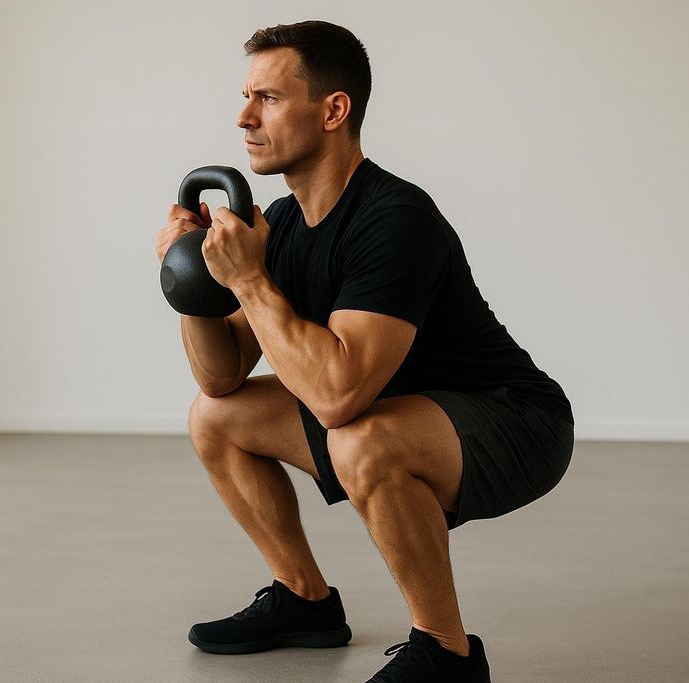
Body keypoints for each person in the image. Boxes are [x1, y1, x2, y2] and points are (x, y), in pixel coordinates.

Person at [155, 20, 575, 683]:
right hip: (397, 407)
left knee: (360, 439)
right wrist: (199, 288)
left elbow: (338, 394)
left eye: (266, 97)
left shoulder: (395, 217)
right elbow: (221, 377)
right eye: (245, 96)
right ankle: (304, 601)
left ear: (333, 109)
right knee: (215, 418)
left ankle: (447, 653)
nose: (243, 116)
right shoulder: (286, 222)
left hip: (512, 419)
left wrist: (249, 279)